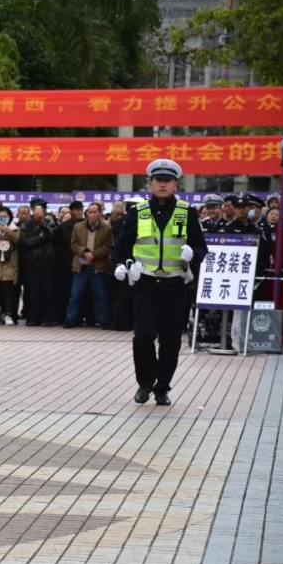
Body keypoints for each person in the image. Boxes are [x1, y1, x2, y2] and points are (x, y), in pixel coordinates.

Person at [113, 159, 207, 406]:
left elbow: (201, 247)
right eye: (158, 180)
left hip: (174, 285)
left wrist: (193, 255)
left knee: (171, 340)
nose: (163, 185)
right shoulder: (138, 211)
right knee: (143, 336)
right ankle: (145, 383)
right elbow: (120, 246)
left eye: (168, 181)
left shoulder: (186, 212)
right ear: (150, 183)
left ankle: (162, 387)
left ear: (176, 184)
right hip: (145, 283)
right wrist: (120, 264)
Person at [64, 202, 112, 329]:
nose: (91, 215)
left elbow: (107, 246)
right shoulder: (78, 227)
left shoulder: (106, 228)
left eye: (94, 212)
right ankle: (70, 320)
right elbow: (73, 244)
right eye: (89, 212)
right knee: (75, 295)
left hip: (98, 266)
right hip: (81, 265)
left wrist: (94, 255)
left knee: (101, 296)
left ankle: (105, 321)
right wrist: (84, 252)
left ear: (100, 213)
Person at [20, 198, 58, 326]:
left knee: (47, 291)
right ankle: (33, 317)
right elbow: (26, 242)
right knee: (32, 290)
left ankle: (47, 318)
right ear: (32, 210)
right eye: (36, 209)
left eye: (41, 209)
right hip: (32, 262)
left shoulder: (50, 223)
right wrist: (40, 237)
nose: (38, 212)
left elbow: (51, 235)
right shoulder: (26, 225)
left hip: (47, 262)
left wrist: (42, 224)